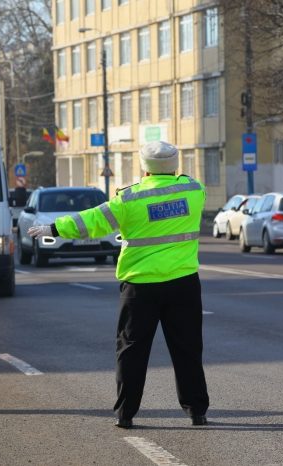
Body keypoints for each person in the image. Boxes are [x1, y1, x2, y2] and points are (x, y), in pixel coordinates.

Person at [28, 141, 209, 429]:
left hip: (140, 287)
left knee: (132, 350)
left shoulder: (129, 200)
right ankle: (197, 410)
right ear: (175, 164)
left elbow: (93, 221)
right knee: (188, 349)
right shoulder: (193, 191)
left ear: (144, 167)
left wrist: (55, 227)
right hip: (183, 283)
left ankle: (126, 414)